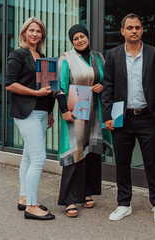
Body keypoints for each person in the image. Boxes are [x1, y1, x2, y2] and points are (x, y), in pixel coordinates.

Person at [102, 13, 155, 224]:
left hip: (148, 117)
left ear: (142, 30)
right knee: (122, 162)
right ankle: (123, 204)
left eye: (137, 27)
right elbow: (108, 88)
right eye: (129, 27)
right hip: (122, 117)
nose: (134, 31)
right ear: (122, 31)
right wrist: (107, 116)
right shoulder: (112, 55)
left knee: (152, 163)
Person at [55, 24, 113, 218]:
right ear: (72, 41)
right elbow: (60, 86)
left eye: (82, 36)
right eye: (75, 38)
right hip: (76, 108)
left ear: (88, 37)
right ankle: (69, 198)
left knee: (91, 152)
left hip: (95, 110)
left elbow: (107, 80)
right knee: (75, 152)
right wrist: (63, 110)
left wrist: (101, 86)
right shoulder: (66, 58)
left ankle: (86, 192)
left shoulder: (98, 57)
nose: (80, 40)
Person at [5, 17, 55, 220]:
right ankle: (32, 207)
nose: (35, 34)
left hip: (42, 112)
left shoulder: (42, 56)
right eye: (31, 30)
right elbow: (10, 84)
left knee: (27, 156)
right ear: (24, 33)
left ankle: (24, 198)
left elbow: (47, 88)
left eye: (39, 31)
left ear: (42, 35)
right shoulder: (18, 54)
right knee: (38, 158)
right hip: (27, 113)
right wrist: (35, 94)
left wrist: (50, 111)